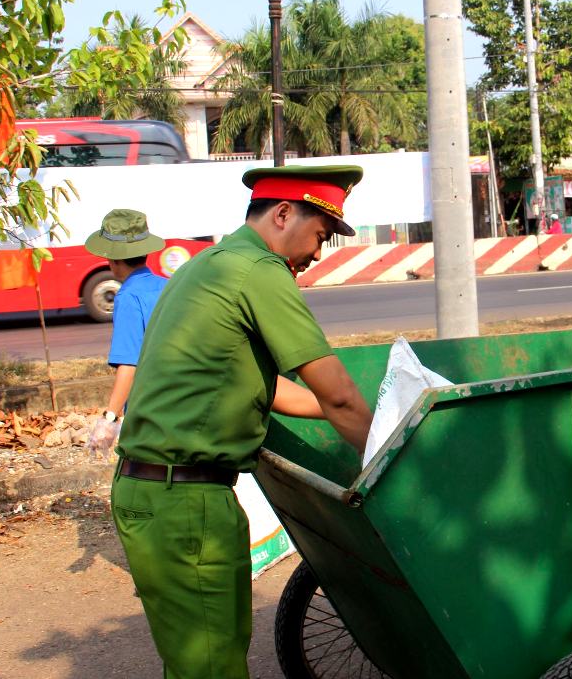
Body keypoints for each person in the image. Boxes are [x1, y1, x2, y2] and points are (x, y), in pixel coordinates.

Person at [111, 165, 373, 679]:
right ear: (282, 214)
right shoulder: (259, 271)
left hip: (158, 494)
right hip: (186, 504)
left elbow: (264, 386)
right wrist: (392, 458)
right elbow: (339, 397)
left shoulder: (207, 265)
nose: (316, 254)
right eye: (319, 235)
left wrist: (331, 407)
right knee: (212, 667)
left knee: (204, 659)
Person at [83, 209, 167, 444]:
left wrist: (109, 419)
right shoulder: (169, 285)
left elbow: (129, 365)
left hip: (151, 415)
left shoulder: (129, 296)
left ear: (112, 259)